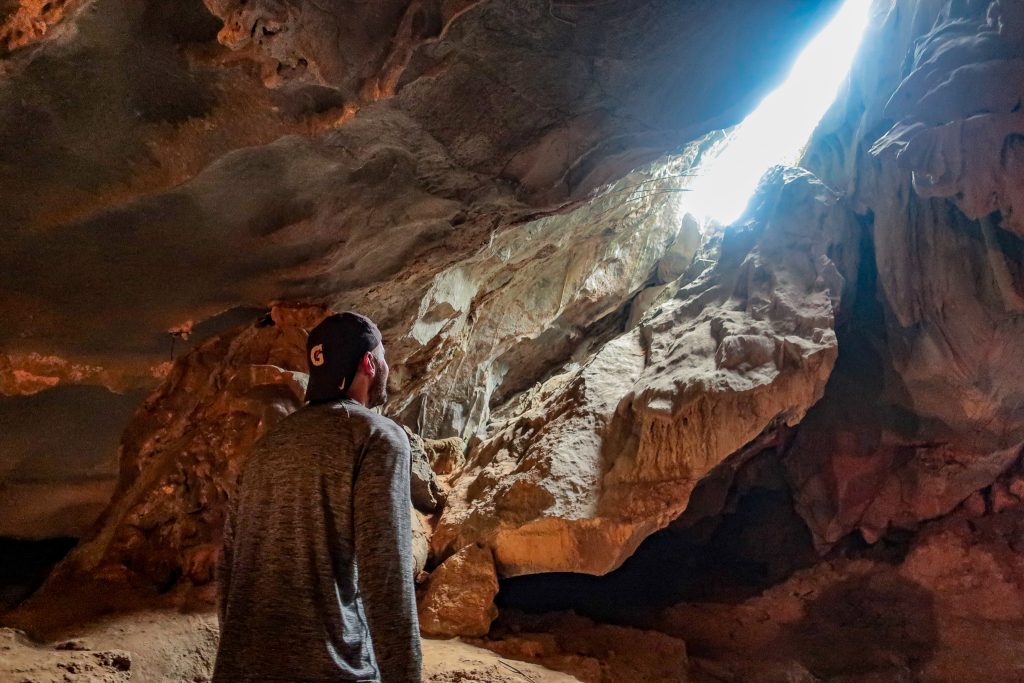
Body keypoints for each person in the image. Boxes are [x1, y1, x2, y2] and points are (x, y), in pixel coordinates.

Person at [213, 311, 422, 682]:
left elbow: (228, 569)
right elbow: (385, 573)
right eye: (384, 357)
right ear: (369, 363)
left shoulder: (266, 448)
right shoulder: (377, 438)